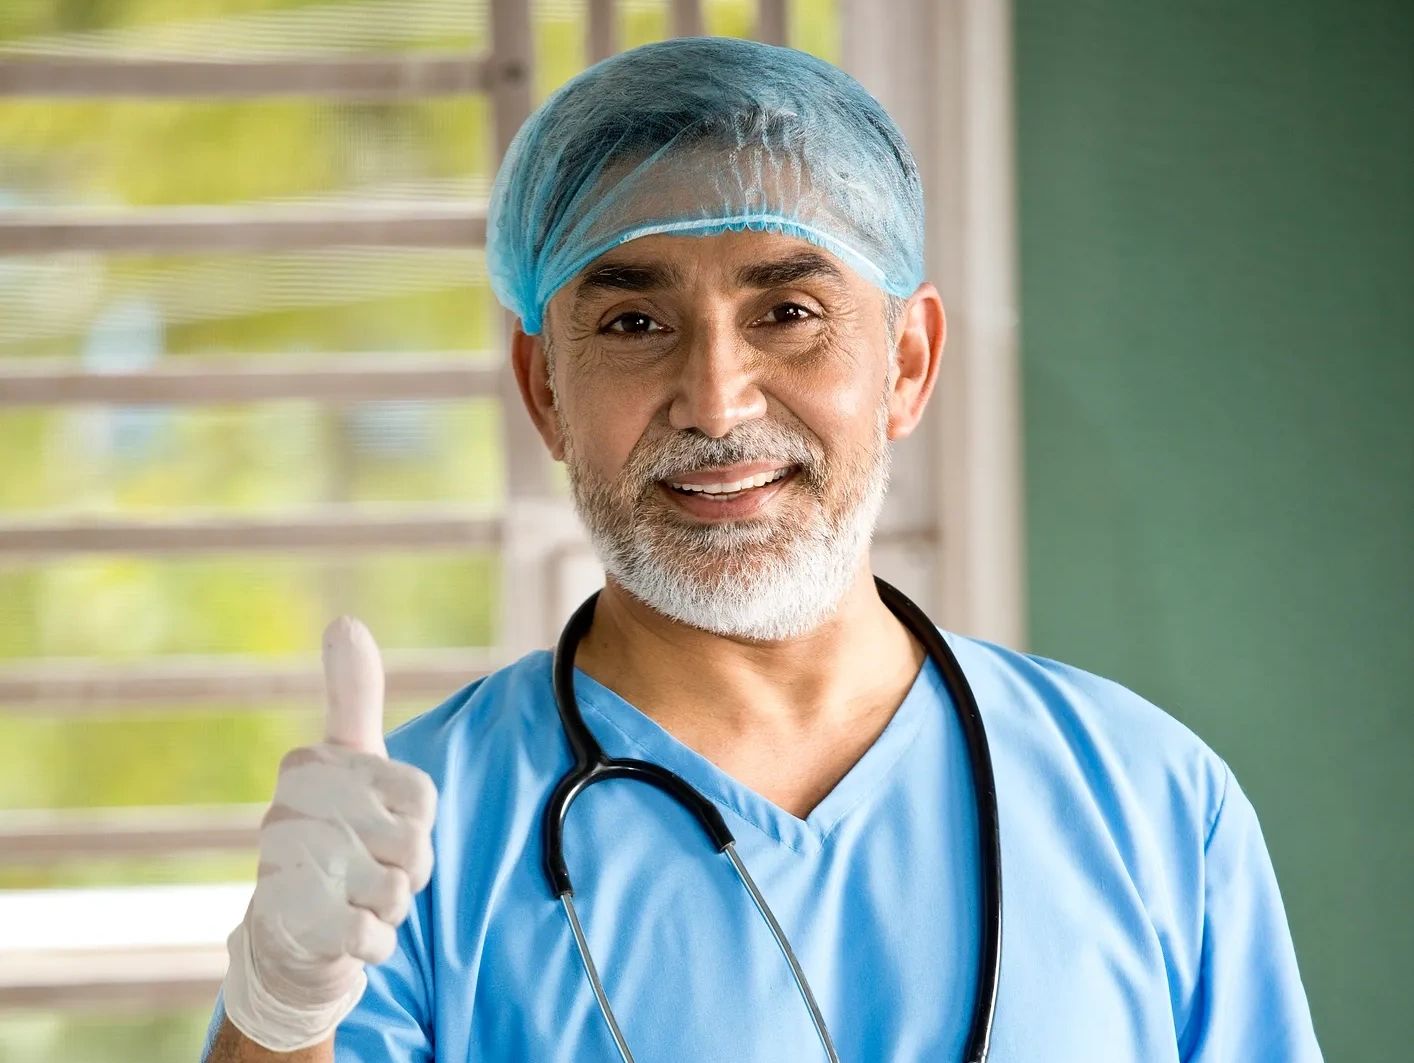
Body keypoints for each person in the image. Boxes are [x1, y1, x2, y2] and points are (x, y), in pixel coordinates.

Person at [202, 37, 1321, 1062]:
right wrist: (283, 1008)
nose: (716, 402)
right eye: (634, 323)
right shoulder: (399, 850)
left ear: (908, 362)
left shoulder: (1148, 800)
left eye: (787, 311)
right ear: (543, 386)